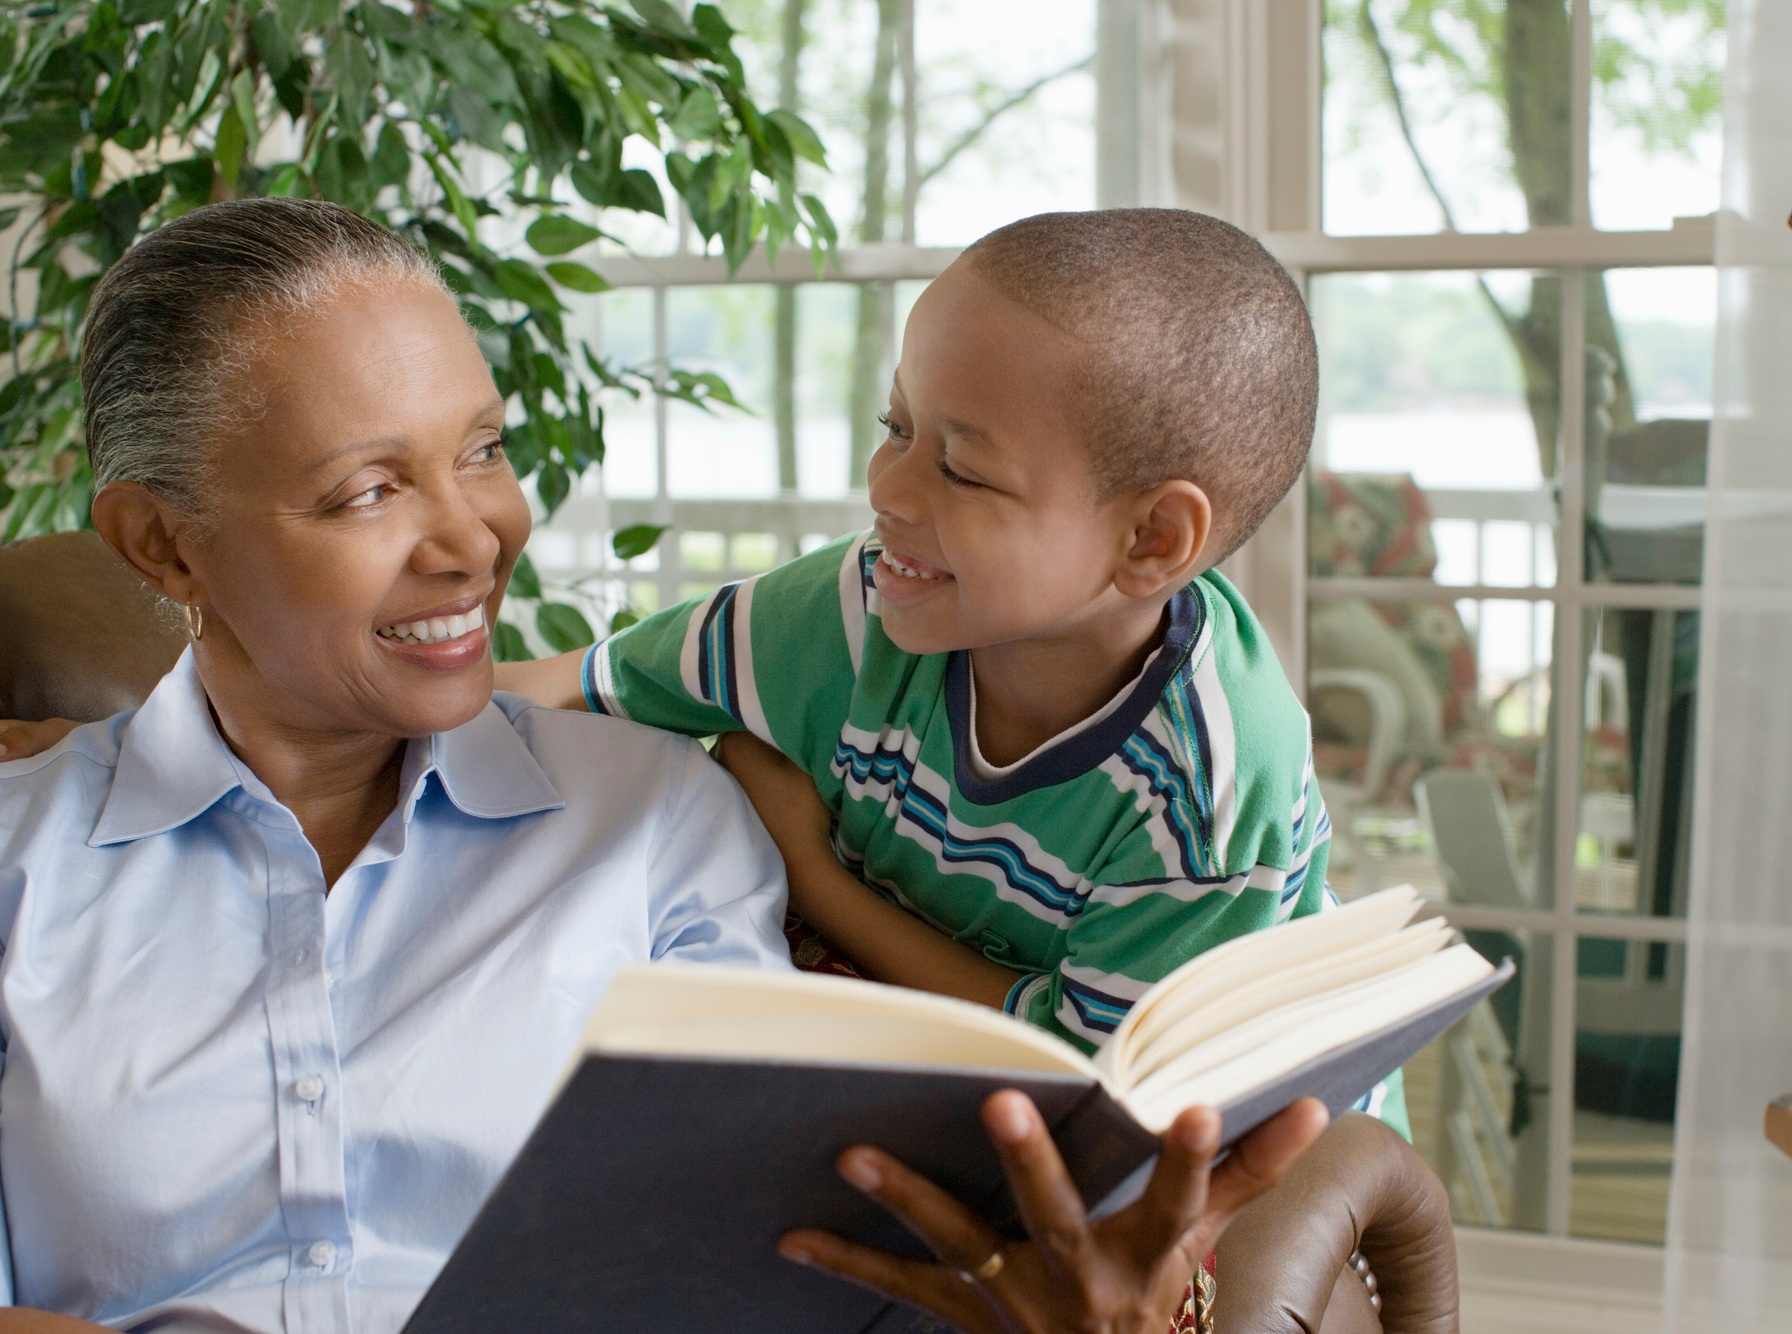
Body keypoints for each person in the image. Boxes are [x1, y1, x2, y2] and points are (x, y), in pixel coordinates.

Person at [0, 198, 1329, 1334]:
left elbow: (773, 1250)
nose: (476, 538)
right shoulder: (21, 860)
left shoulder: (653, 817)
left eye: (486, 452)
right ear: (162, 548)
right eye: (368, 490)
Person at [498, 209, 1406, 1130]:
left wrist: (811, 875)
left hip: (1242, 1104)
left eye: (963, 471)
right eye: (897, 426)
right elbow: (589, 681)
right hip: (954, 1035)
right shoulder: (859, 610)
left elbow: (1095, 1088)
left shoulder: (1201, 794)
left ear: (1151, 539)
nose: (885, 491)